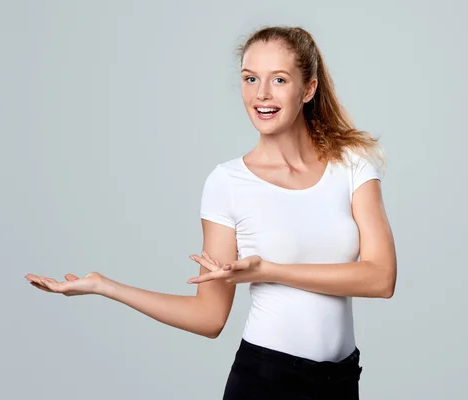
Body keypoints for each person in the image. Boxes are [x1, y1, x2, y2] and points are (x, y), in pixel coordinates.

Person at [25, 25, 397, 400]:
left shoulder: (350, 165)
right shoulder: (228, 183)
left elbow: (381, 279)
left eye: (279, 80)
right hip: (265, 381)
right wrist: (105, 286)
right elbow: (209, 317)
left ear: (308, 89)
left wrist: (269, 271)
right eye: (250, 79)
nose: (261, 94)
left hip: (341, 383)